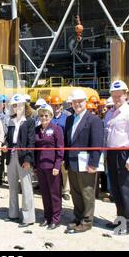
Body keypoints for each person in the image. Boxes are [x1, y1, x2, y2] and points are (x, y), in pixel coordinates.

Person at [104, 81, 129, 235]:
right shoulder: (109, 113)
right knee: (116, 190)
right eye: (114, 96)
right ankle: (120, 221)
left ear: (125, 95)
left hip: (125, 154)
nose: (116, 98)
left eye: (119, 95)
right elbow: (106, 135)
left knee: (127, 190)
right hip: (112, 154)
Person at [64, 89, 104, 234]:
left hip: (86, 164)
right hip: (73, 162)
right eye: (74, 102)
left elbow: (97, 143)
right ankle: (78, 216)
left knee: (87, 192)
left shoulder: (94, 120)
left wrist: (93, 163)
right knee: (75, 192)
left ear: (85, 102)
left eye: (80, 101)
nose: (77, 104)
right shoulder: (69, 119)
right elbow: (67, 141)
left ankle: (87, 221)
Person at [3, 94, 36, 227]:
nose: (18, 107)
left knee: (26, 187)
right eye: (15, 105)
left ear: (25, 106)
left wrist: (28, 159)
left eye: (20, 105)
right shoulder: (11, 121)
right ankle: (13, 214)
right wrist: (6, 144)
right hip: (11, 156)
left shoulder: (30, 121)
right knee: (12, 186)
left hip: (24, 157)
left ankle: (28, 218)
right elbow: (8, 138)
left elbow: (31, 142)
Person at [34, 104, 64, 229]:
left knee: (54, 194)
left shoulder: (56, 129)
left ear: (51, 116)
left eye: (46, 115)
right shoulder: (37, 130)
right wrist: (35, 166)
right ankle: (47, 216)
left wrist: (57, 165)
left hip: (52, 167)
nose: (44, 118)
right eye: (41, 115)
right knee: (45, 193)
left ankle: (56, 219)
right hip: (41, 167)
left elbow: (60, 149)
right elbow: (35, 149)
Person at [50, 96, 70, 201]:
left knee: (64, 169)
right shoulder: (49, 118)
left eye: (58, 105)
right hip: (51, 148)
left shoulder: (66, 118)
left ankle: (66, 191)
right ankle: (56, 189)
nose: (56, 107)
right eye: (54, 105)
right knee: (54, 169)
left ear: (61, 106)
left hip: (63, 147)